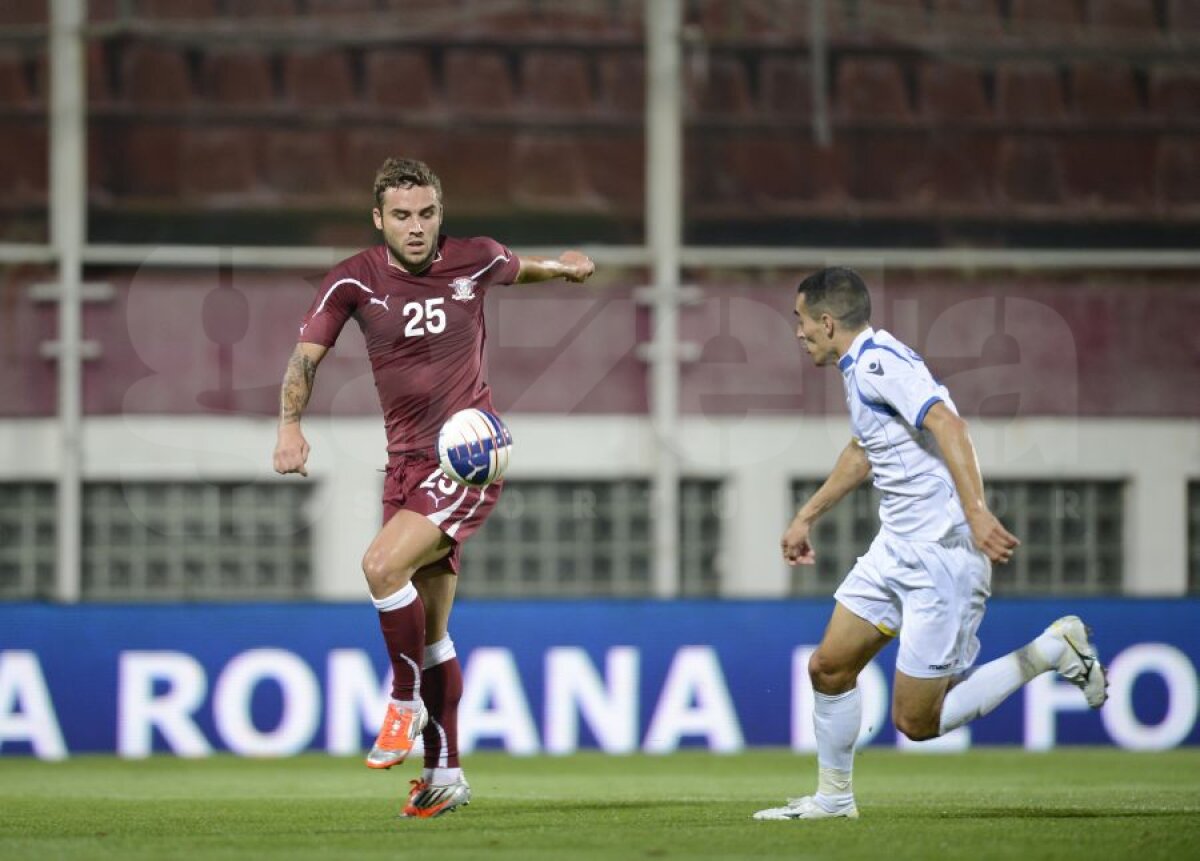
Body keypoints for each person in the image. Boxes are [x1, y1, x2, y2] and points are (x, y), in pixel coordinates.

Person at [272, 157, 594, 819]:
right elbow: (306, 357)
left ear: (440, 214)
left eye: (426, 214)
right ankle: (444, 774)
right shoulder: (351, 281)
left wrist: (562, 267)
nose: (416, 228)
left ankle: (401, 700)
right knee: (432, 632)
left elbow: (519, 267)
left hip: (471, 456)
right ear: (379, 219)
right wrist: (289, 426)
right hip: (406, 470)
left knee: (379, 563)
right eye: (402, 216)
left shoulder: (471, 259)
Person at [754, 267, 1108, 822]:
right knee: (828, 668)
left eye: (799, 321)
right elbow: (864, 450)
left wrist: (975, 512)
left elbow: (950, 424)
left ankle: (1052, 651)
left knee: (916, 722)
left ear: (825, 322)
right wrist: (807, 516)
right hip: (897, 546)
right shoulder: (864, 366)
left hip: (941, 556)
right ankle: (833, 799)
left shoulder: (879, 363)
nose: (797, 333)